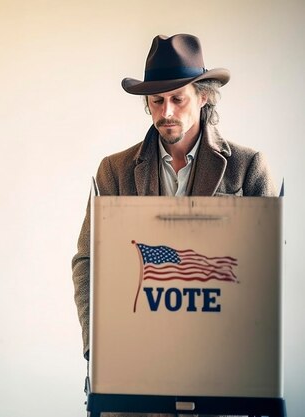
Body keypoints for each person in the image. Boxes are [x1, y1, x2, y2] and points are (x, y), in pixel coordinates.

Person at [71, 33, 277, 417]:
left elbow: (267, 270)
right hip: (136, 365)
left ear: (204, 96)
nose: (166, 112)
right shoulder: (113, 171)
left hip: (223, 367)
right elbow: (87, 261)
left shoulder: (248, 167)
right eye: (156, 101)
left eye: (177, 98)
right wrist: (95, 346)